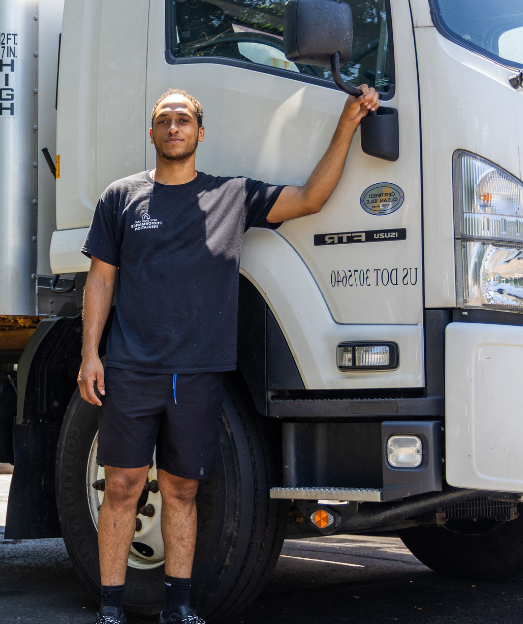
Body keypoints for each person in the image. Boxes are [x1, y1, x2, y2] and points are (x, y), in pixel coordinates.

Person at [79, 84, 380, 624]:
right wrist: (89, 355)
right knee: (122, 486)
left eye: (184, 120)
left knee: (182, 488)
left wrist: (348, 123)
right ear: (152, 132)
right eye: (164, 119)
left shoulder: (232, 195)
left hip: (196, 373)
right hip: (131, 368)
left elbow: (310, 199)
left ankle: (179, 605)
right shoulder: (121, 198)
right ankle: (110, 607)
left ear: (200, 133)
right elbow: (100, 280)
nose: (174, 128)